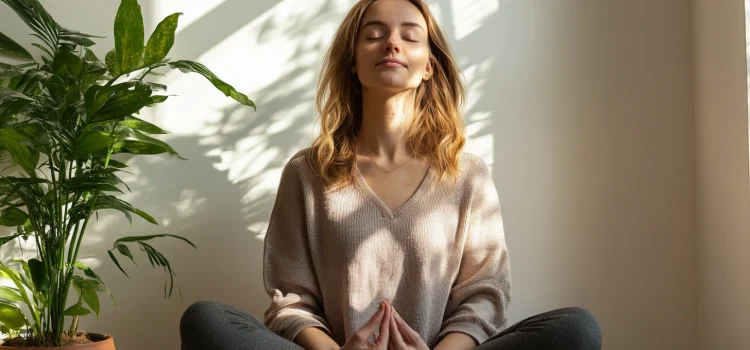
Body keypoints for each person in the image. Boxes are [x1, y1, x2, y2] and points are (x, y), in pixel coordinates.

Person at [180, 0, 603, 349]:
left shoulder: (467, 174)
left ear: (428, 66)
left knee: (575, 328)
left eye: (410, 35)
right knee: (207, 320)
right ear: (353, 61)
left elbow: (483, 297)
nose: (392, 44)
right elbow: (291, 301)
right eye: (375, 34)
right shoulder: (307, 173)